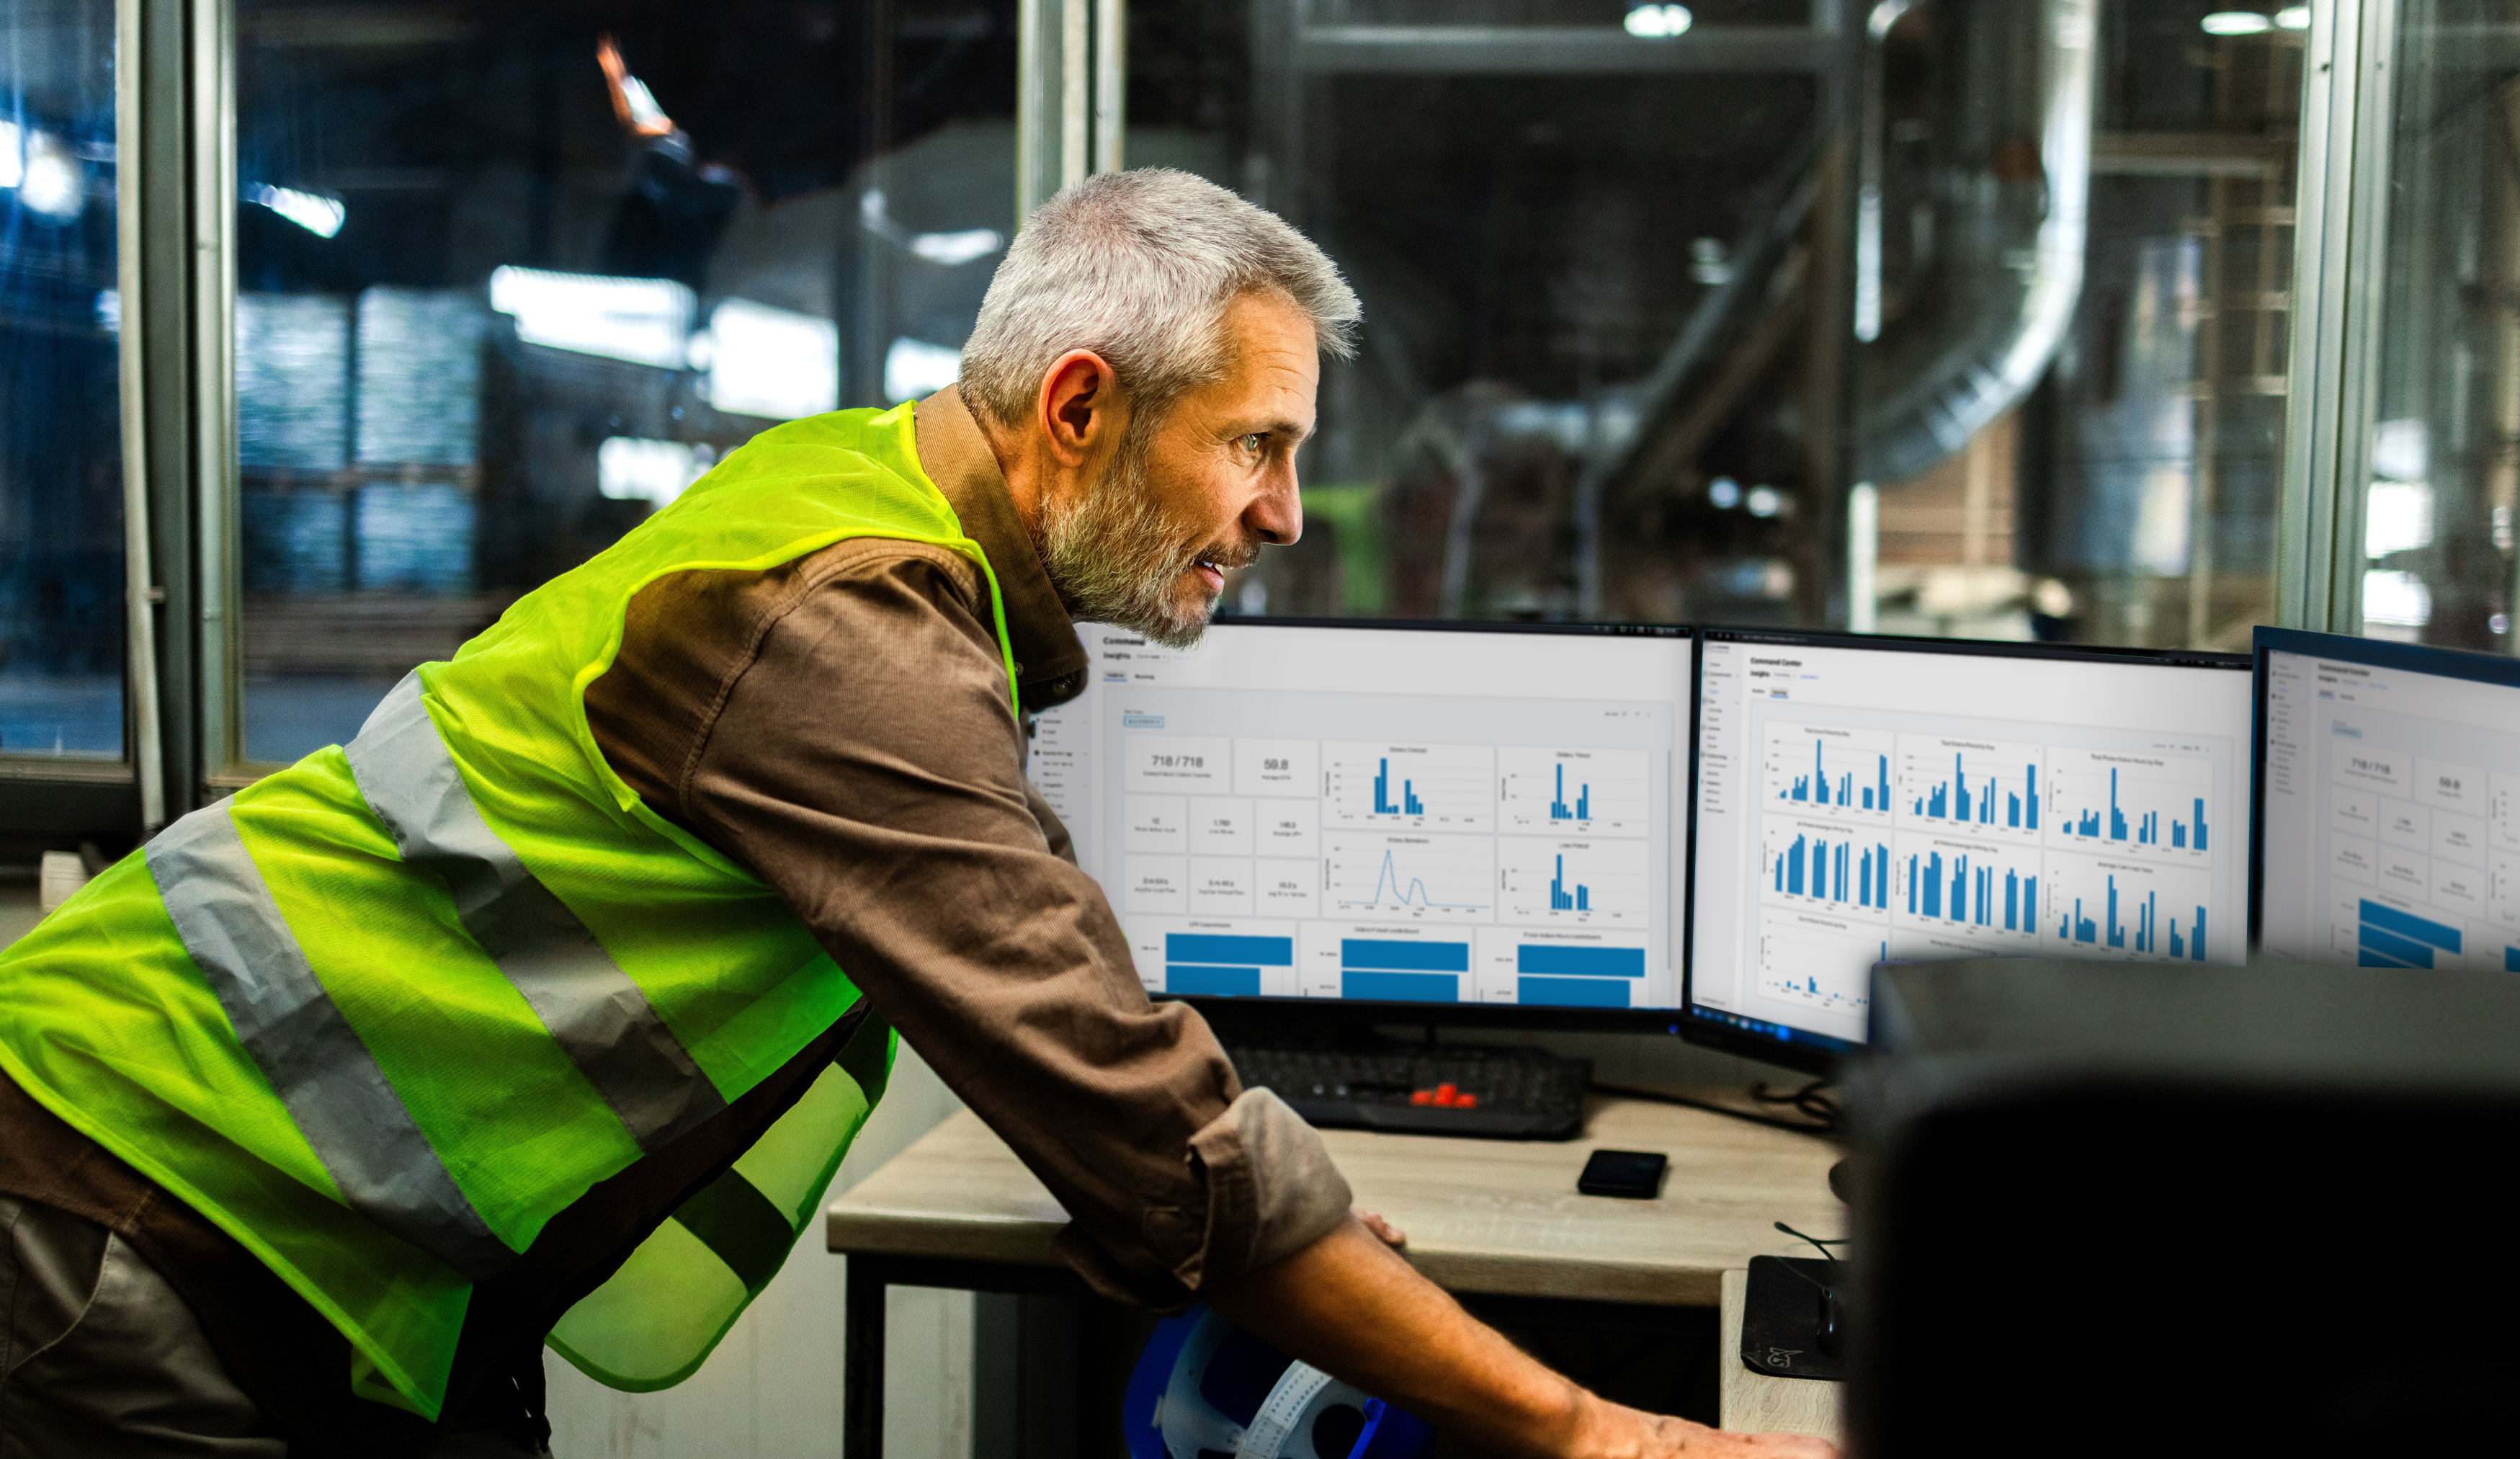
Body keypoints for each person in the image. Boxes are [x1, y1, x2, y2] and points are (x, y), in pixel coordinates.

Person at [0, 169, 1833, 1459]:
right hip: (136, 1189)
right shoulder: (848, 626)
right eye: (1257, 444)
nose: (1284, 515)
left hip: (285, 1223)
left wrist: (1336, 1261)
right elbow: (1141, 1126)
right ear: (1083, 405)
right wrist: (1596, 1430)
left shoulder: (872, 492)